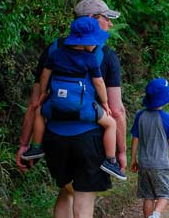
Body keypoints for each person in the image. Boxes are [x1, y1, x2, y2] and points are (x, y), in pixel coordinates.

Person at [16, 0, 127, 218]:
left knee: (65, 193)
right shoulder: (104, 56)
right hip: (89, 140)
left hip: (53, 139)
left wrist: (26, 144)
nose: (110, 23)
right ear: (92, 19)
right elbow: (115, 109)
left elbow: (35, 102)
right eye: (106, 18)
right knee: (84, 208)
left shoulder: (53, 50)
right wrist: (120, 153)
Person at [20, 16, 123, 179]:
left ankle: (36, 146)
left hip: (56, 106)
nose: (96, 44)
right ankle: (110, 161)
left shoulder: (57, 54)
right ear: (85, 41)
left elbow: (45, 76)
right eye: (94, 41)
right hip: (83, 109)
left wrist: (43, 94)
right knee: (111, 124)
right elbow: (98, 83)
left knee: (40, 112)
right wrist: (104, 103)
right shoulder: (90, 59)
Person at [130, 78, 169, 218]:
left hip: (144, 163)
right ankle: (155, 217)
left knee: (148, 196)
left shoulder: (140, 116)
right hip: (160, 164)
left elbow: (135, 139)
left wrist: (133, 159)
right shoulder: (166, 118)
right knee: (164, 194)